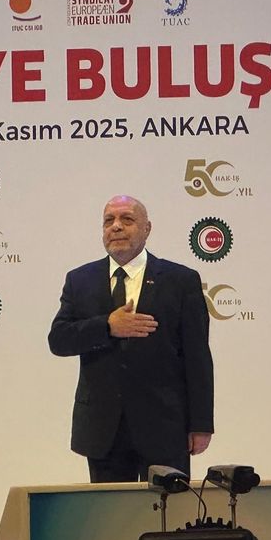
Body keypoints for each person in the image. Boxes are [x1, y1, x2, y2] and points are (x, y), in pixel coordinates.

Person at [48, 195, 214, 483]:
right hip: (103, 430)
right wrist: (107, 326)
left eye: (127, 219)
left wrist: (201, 424)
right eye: (108, 221)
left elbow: (197, 356)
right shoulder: (80, 280)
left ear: (147, 228)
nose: (116, 227)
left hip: (165, 426)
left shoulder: (180, 280)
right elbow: (59, 340)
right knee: (112, 512)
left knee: (169, 511)